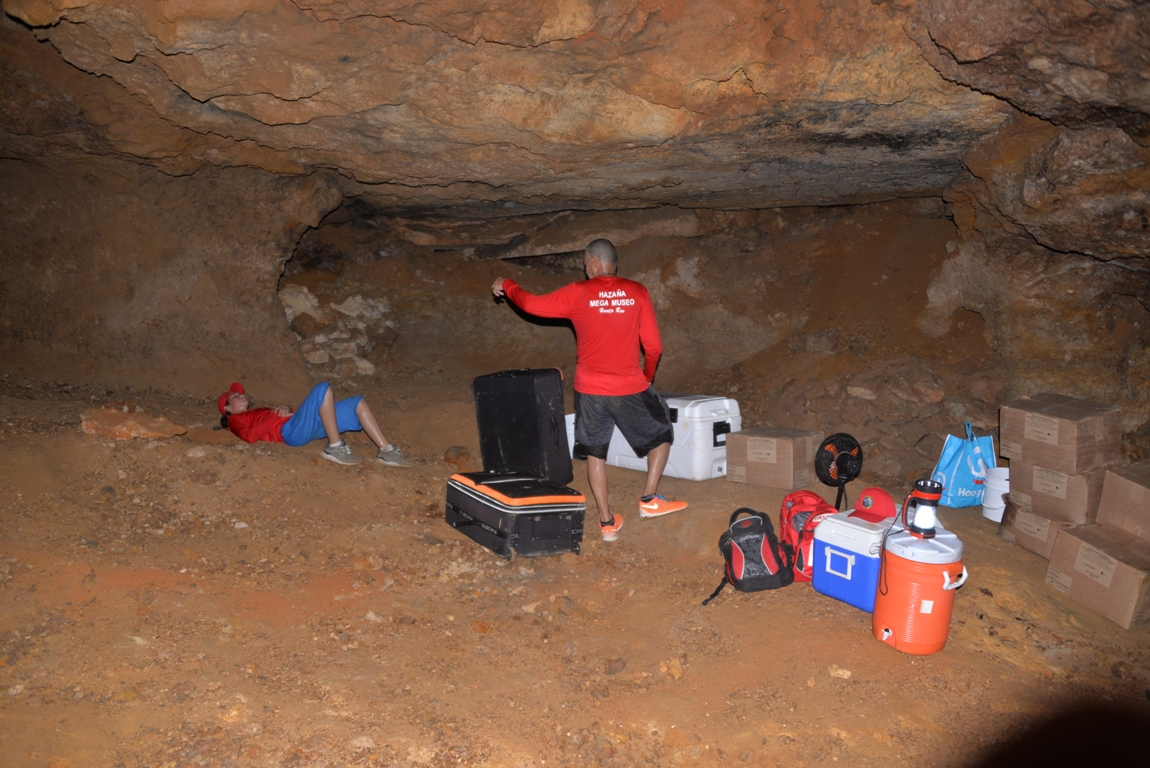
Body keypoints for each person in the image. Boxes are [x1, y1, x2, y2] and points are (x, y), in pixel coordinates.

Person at [491, 238, 687, 543]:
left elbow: (530, 304)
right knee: (661, 433)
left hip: (589, 388)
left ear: (594, 261)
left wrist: (507, 283)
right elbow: (654, 346)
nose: (584, 268)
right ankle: (649, 499)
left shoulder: (578, 293)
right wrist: (647, 377)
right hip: (628, 386)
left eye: (585, 263)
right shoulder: (638, 292)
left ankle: (607, 523)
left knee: (595, 452)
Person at [217, 381, 414, 467]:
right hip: (289, 433)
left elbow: (279, 415)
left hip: (298, 425)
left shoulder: (256, 411)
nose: (241, 395)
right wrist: (274, 416)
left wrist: (283, 408)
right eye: (235, 396)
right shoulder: (234, 420)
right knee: (323, 388)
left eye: (240, 393)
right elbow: (250, 437)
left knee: (357, 403)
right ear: (227, 409)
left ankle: (387, 451)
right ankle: (334, 448)